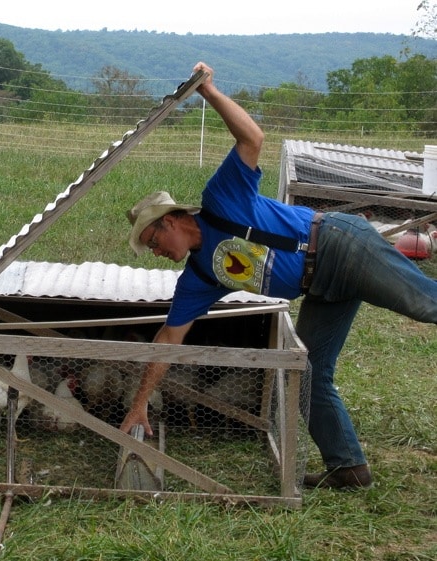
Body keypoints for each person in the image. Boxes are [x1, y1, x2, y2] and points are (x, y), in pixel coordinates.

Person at [119, 61, 437, 490]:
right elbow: (168, 338)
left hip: (340, 246)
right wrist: (140, 405)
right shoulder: (198, 277)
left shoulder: (222, 198)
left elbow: (253, 138)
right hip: (320, 286)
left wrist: (208, 93)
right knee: (309, 374)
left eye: (153, 242)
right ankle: (348, 469)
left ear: (171, 221)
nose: (155, 253)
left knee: (427, 305)